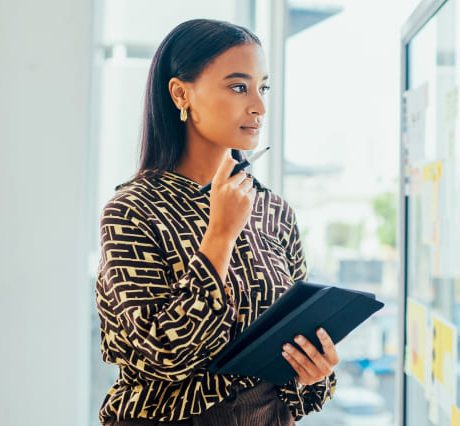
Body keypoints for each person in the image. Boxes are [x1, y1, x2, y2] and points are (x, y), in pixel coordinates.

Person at [95, 19, 338, 425]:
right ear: (180, 93)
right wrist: (220, 233)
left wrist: (316, 371)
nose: (258, 106)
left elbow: (302, 365)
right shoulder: (132, 209)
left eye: (263, 88)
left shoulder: (274, 211)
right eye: (239, 87)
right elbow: (163, 357)